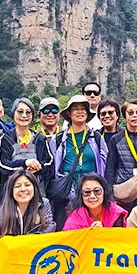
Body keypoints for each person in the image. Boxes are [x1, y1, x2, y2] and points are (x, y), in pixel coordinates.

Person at [50, 95, 109, 229]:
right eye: (75, 109)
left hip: (92, 194)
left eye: (83, 109)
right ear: (69, 114)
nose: (80, 111)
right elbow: (54, 167)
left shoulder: (97, 138)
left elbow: (105, 163)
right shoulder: (59, 139)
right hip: (68, 195)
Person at [0, 98, 44, 206]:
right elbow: (2, 164)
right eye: (20, 112)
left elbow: (49, 162)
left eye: (28, 112)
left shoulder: (39, 138)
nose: (24, 115)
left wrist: (38, 166)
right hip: (11, 194)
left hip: (36, 192)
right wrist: (24, 163)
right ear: (13, 114)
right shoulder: (5, 139)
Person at [62, 173, 128, 230]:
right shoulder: (73, 222)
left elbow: (119, 241)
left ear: (104, 192)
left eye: (97, 191)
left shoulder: (115, 213)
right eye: (87, 192)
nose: (92, 196)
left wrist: (102, 232)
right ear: (81, 195)